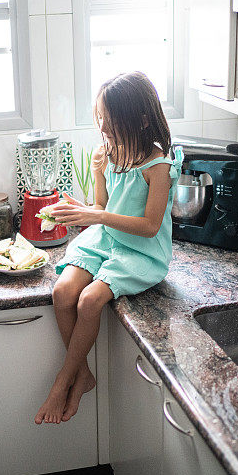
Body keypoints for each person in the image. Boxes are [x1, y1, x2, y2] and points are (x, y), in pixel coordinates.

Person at [35, 71, 183, 425]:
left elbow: (148, 227)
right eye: (100, 117)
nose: (103, 127)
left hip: (141, 252)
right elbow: (103, 205)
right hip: (107, 240)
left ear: (142, 119)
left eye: (110, 120)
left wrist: (93, 215)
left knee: (89, 300)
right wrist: (97, 178)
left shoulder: (158, 166)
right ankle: (82, 374)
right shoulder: (111, 153)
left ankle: (63, 380)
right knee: (63, 292)